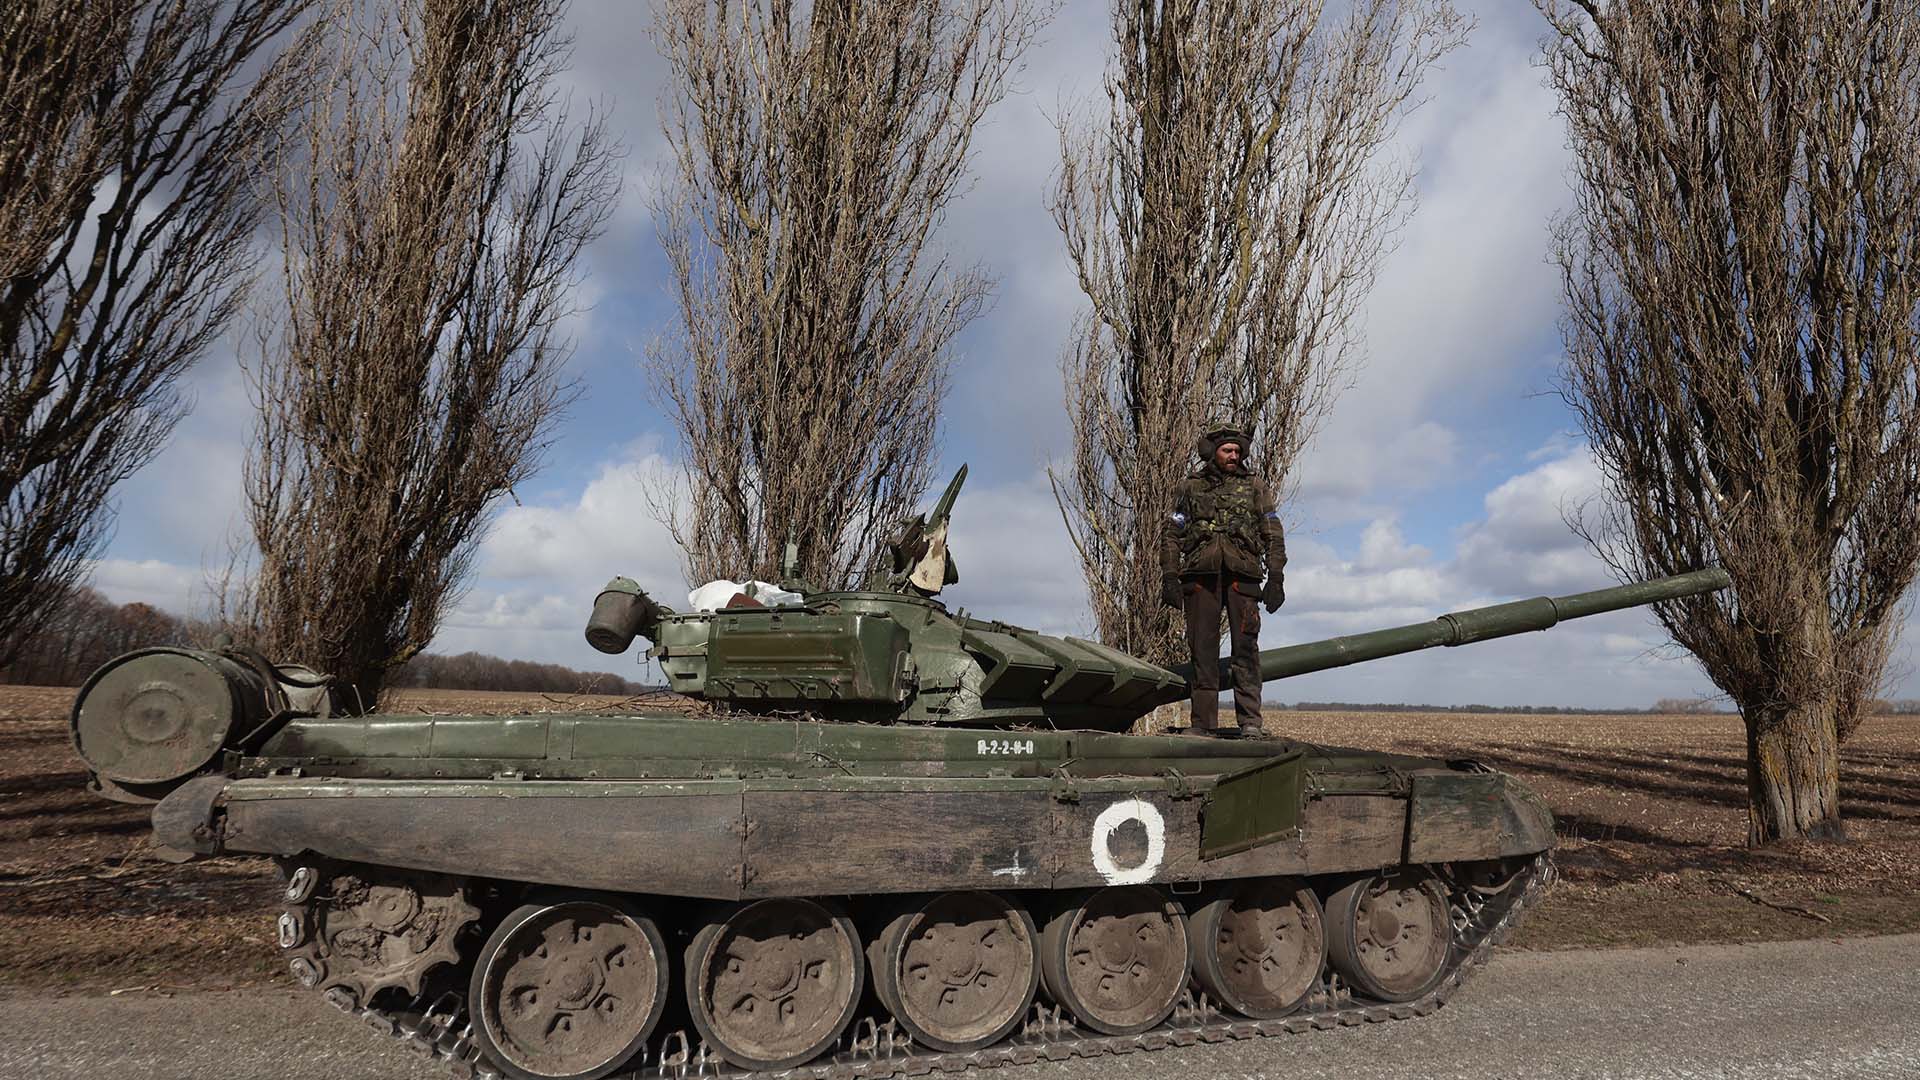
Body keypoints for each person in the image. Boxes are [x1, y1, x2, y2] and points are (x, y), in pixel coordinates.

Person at [1160, 418, 1286, 737]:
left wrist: (1276, 577)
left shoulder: (1255, 486)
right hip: (1200, 577)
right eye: (1227, 450)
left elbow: (1272, 532)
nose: (1233, 456)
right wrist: (1170, 576)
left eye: (1236, 451)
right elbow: (1172, 532)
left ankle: (1250, 722)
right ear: (1213, 452)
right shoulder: (1190, 486)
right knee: (1203, 651)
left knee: (1245, 650)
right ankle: (1203, 724)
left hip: (1242, 577)